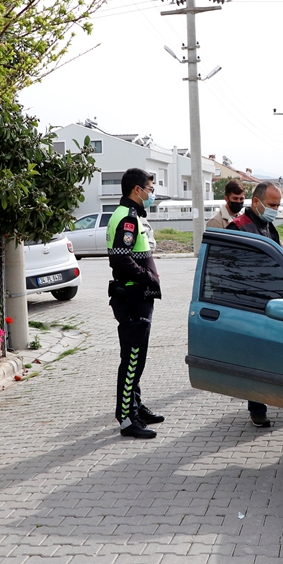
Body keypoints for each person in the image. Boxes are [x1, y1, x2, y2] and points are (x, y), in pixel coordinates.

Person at [227, 183, 283, 426]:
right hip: (250, 306)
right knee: (255, 359)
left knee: (282, 355)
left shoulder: (270, 228)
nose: (276, 209)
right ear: (256, 202)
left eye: (278, 205)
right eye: (272, 205)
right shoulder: (237, 228)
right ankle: (257, 409)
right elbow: (231, 271)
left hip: (274, 305)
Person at [107, 168, 164, 438]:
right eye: (150, 189)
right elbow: (120, 259)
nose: (151, 194)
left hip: (137, 296)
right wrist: (147, 278)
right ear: (137, 190)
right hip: (131, 297)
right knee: (131, 359)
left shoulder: (131, 216)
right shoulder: (127, 219)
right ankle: (127, 419)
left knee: (136, 358)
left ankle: (136, 407)